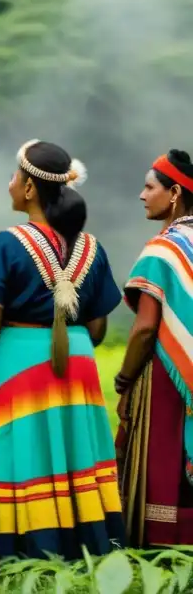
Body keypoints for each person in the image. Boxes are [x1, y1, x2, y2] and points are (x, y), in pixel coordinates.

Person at [0, 139, 125, 564]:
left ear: (30, 188)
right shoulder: (92, 248)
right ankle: (91, 543)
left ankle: (29, 548)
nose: (11, 184)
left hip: (20, 361)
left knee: (27, 452)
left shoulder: (4, 246)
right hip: (79, 361)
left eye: (15, 176)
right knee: (76, 450)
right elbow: (98, 324)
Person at [115, 149, 193, 546]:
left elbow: (145, 328)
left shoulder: (165, 249)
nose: (142, 196)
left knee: (166, 449)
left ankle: (165, 539)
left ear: (174, 193)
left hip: (171, 369)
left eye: (150, 187)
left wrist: (124, 379)